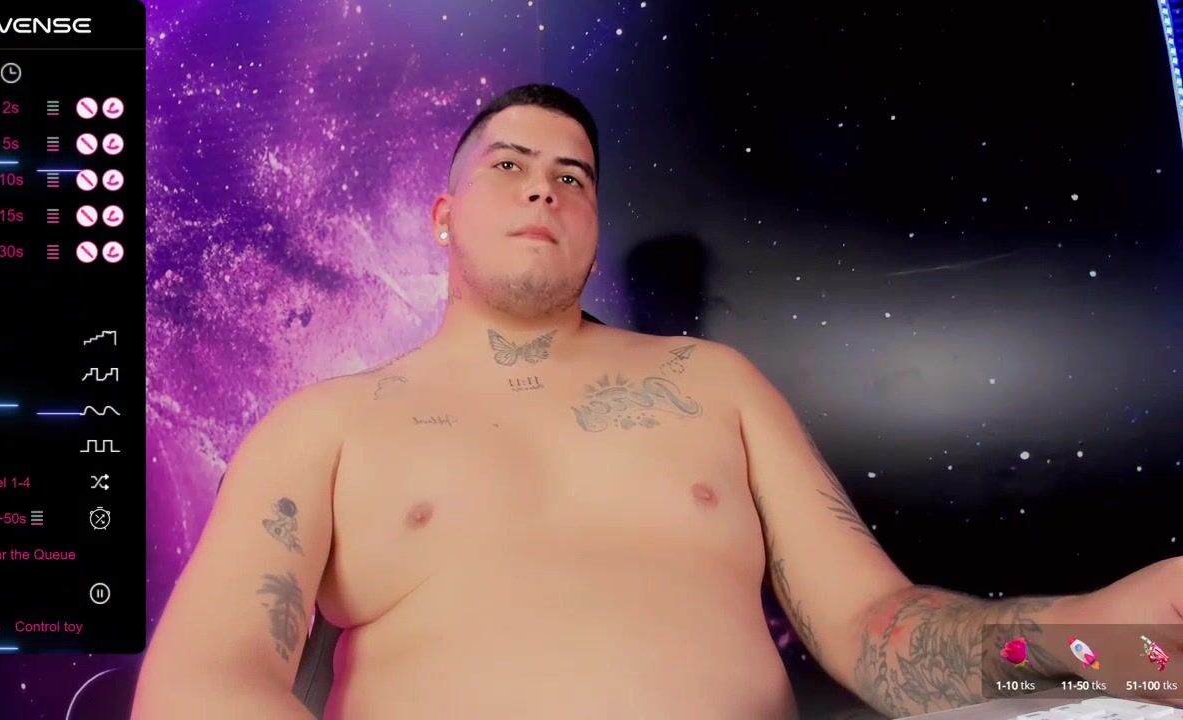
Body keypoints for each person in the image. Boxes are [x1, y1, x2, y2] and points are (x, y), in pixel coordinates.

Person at [133, 84, 1181, 719]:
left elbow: (880, 639)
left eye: (574, 177)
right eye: (510, 165)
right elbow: (200, 685)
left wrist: (1114, 638)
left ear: (592, 227)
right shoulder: (325, 426)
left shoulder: (712, 385)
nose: (545, 188)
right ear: (445, 214)